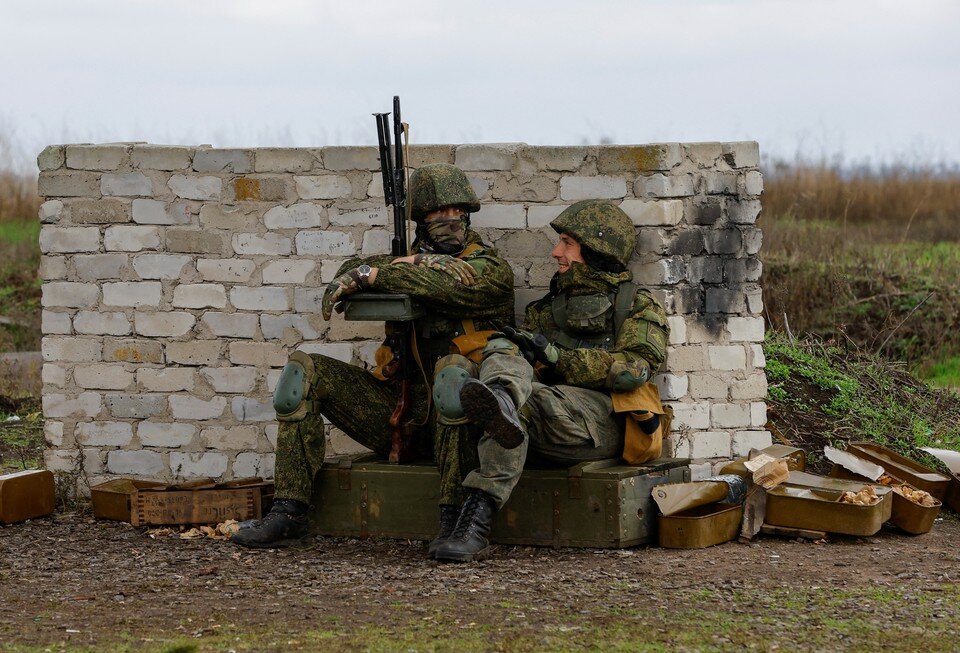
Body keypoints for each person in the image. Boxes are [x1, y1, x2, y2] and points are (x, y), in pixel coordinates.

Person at [232, 163, 515, 548]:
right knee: (303, 373)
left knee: (454, 376)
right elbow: (350, 269)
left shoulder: (491, 268)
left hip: (464, 423)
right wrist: (401, 263)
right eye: (437, 214)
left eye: (457, 213)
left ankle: (455, 520)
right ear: (419, 220)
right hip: (405, 416)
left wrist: (386, 272)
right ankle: (289, 511)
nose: (450, 221)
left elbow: (443, 283)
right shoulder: (402, 261)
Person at [430, 199, 671, 563]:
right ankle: (500, 404)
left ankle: (475, 526)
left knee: (518, 404)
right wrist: (513, 349)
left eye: (567, 243)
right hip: (546, 410)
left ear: (596, 248)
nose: (556, 252)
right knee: (488, 359)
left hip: (602, 421)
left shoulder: (636, 304)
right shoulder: (546, 308)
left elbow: (634, 369)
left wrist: (557, 358)